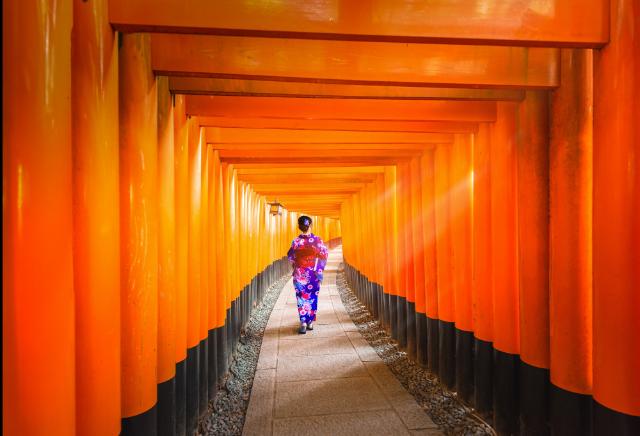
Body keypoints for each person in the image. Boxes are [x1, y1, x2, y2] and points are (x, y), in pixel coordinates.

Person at [287, 215, 329, 334]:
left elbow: (291, 257)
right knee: (312, 297)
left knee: (301, 297)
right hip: (313, 273)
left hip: (300, 274)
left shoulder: (296, 241)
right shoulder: (317, 240)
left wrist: (297, 265)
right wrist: (319, 269)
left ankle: (303, 323)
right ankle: (310, 322)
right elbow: (324, 255)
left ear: (299, 226)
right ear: (310, 225)